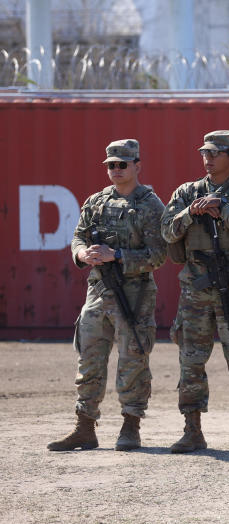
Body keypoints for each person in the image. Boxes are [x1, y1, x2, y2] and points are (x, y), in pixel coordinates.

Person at [48, 139, 166, 452]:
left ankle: (130, 426)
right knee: (89, 360)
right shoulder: (96, 201)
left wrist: (118, 255)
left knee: (133, 361)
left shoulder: (150, 205)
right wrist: (82, 254)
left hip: (134, 294)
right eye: (111, 165)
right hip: (98, 292)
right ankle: (85, 427)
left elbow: (159, 254)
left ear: (137, 166)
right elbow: (77, 238)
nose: (115, 170)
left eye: (122, 164)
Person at [161, 130, 229, 454]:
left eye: (215, 153)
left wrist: (223, 209)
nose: (207, 159)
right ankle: (192, 429)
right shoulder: (187, 192)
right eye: (204, 153)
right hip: (195, 290)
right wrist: (190, 212)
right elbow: (166, 230)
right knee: (190, 361)